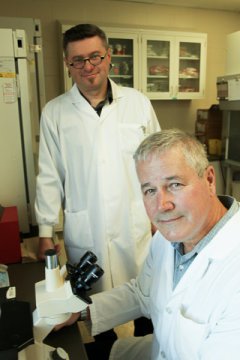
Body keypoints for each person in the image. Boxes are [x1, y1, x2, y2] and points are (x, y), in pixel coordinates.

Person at [57, 128, 240, 359]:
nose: (162, 205)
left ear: (210, 180)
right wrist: (81, 311)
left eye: (174, 185)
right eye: (150, 190)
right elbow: (143, 293)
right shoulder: (167, 237)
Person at [35, 23, 159, 347]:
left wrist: (159, 216)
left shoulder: (138, 103)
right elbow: (49, 175)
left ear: (109, 58)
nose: (88, 67)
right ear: (68, 65)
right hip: (86, 226)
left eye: (95, 57)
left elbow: (157, 163)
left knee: (147, 300)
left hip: (134, 225)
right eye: (78, 60)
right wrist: (46, 231)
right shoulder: (55, 113)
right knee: (94, 312)